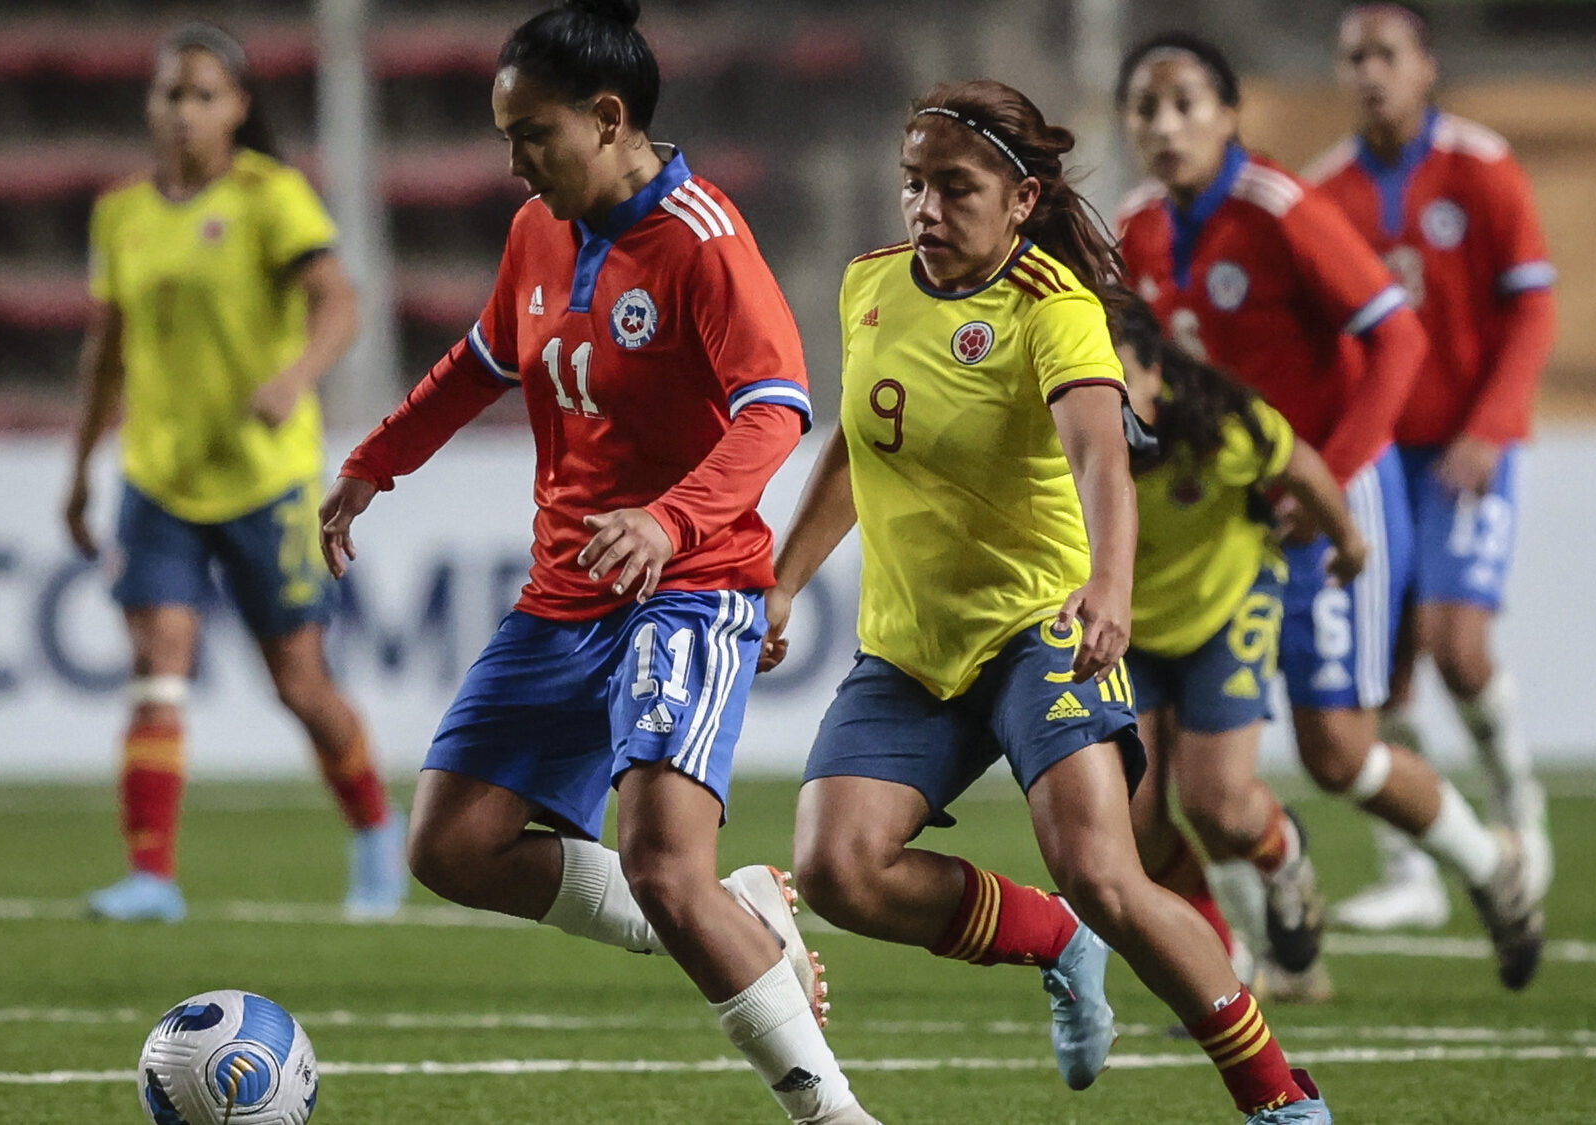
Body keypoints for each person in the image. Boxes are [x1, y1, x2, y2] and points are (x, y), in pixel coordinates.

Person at [317, 3, 875, 1122]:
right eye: (506, 138)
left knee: (664, 870)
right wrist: (376, 463)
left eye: (532, 135)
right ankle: (742, 914)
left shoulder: (706, 245)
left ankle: (832, 1114)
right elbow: (483, 361)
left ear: (608, 118)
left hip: (687, 584)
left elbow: (776, 412)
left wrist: (669, 522)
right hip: (562, 594)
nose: (515, 163)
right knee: (452, 846)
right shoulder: (538, 231)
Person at [765, 80, 1331, 1124]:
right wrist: (784, 578)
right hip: (908, 648)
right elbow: (853, 443)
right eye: (910, 184)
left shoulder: (1053, 305)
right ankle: (1051, 939)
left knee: (1105, 874)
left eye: (953, 187)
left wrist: (1106, 586)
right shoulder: (867, 287)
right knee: (836, 869)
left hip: (1039, 632)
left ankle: (1277, 1099)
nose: (924, 209)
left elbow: (1099, 459)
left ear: (1021, 199)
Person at [1113, 30, 1543, 993]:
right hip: (1223, 522)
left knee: (1339, 750)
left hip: (1330, 498)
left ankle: (1493, 867)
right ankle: (1271, 948)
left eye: (1187, 104)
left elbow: (1398, 340)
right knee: (1170, 775)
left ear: (1230, 116)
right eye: (1147, 108)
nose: (1166, 125)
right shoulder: (1137, 228)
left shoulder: (1281, 209)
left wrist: (1334, 476)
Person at [65, 23, 403, 924]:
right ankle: (151, 875)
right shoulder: (122, 213)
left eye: (204, 95)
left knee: (300, 682)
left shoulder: (270, 196)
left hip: (266, 481)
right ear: (150, 104)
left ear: (239, 108)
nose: (183, 112)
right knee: (156, 664)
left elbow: (341, 298)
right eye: (170, 94)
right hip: (160, 479)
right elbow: (108, 353)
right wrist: (79, 472)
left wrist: (296, 377)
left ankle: (375, 834)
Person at [1309, 0, 1557, 932]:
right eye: (1353, 57)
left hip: (1466, 451)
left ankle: (1519, 810)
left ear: (1426, 65)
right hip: (1380, 462)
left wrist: (1492, 424)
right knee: (1387, 672)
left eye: (1386, 53)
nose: (1369, 71)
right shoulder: (1326, 193)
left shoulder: (1482, 169)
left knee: (1459, 647)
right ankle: (1408, 868)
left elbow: (1531, 309)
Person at [1112, 295, 1363, 985]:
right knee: (1135, 818)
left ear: (1157, 375)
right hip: (1128, 625)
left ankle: (1285, 856)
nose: (1107, 399)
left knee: (1215, 802)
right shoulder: (1062, 442)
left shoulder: (1220, 426)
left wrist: (1348, 542)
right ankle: (1221, 961)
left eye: (1121, 377)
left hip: (1227, 608)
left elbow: (1304, 468)